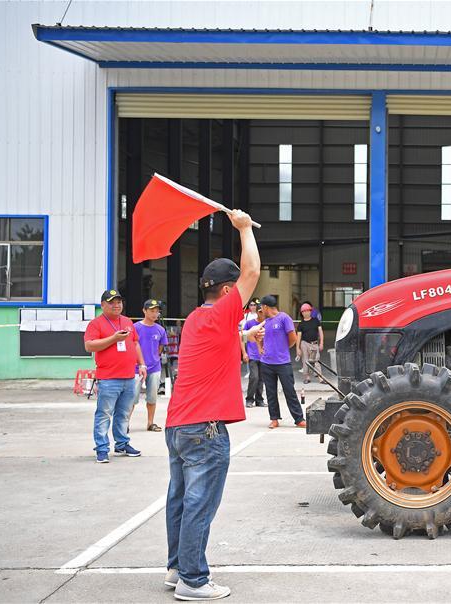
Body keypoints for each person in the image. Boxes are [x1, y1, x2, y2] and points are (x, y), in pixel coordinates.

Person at [163, 209, 259, 601]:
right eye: (236, 291)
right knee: (200, 505)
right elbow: (252, 272)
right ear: (226, 291)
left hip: (179, 425)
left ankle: (176, 568)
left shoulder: (195, 320)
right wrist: (245, 229)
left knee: (181, 501)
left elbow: (225, 344)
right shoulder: (222, 313)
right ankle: (193, 580)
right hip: (204, 430)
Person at [84, 289, 146, 463]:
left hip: (128, 376)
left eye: (119, 302)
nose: (116, 305)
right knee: (104, 414)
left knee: (123, 414)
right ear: (103, 305)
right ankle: (102, 448)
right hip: (109, 378)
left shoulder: (127, 321)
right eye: (111, 302)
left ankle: (122, 444)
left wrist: (141, 364)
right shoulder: (96, 324)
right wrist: (113, 338)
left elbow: (135, 343)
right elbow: (89, 346)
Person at [249, 295, 305, 429]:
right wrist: (261, 347)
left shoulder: (284, 318)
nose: (260, 309)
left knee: (289, 391)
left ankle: (299, 419)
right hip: (266, 363)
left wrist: (282, 349)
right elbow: (259, 337)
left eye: (261, 307)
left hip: (282, 363)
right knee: (270, 392)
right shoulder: (264, 322)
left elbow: (292, 338)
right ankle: (274, 419)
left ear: (266, 307)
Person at [130, 299, 167, 432]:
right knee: (132, 397)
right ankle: (125, 423)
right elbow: (131, 346)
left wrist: (154, 359)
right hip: (136, 368)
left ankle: (150, 423)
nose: (155, 314)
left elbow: (160, 347)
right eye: (151, 311)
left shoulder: (160, 330)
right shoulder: (135, 328)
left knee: (152, 397)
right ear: (144, 311)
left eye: (157, 311)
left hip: (154, 368)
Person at [241, 303, 265, 408]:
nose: (262, 314)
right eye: (260, 312)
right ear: (257, 312)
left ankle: (259, 400)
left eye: (263, 312)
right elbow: (243, 338)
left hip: (264, 356)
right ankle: (249, 399)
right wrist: (244, 353)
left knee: (261, 378)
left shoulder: (267, 324)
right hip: (253, 355)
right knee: (254, 377)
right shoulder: (250, 324)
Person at [296, 302, 324, 384]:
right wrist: (298, 348)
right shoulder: (301, 324)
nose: (306, 312)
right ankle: (307, 378)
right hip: (304, 344)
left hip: (314, 344)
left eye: (307, 311)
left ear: (310, 311)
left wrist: (321, 343)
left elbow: (320, 332)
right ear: (302, 313)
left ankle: (320, 378)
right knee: (305, 361)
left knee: (316, 360)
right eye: (304, 311)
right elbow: (299, 337)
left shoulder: (316, 321)